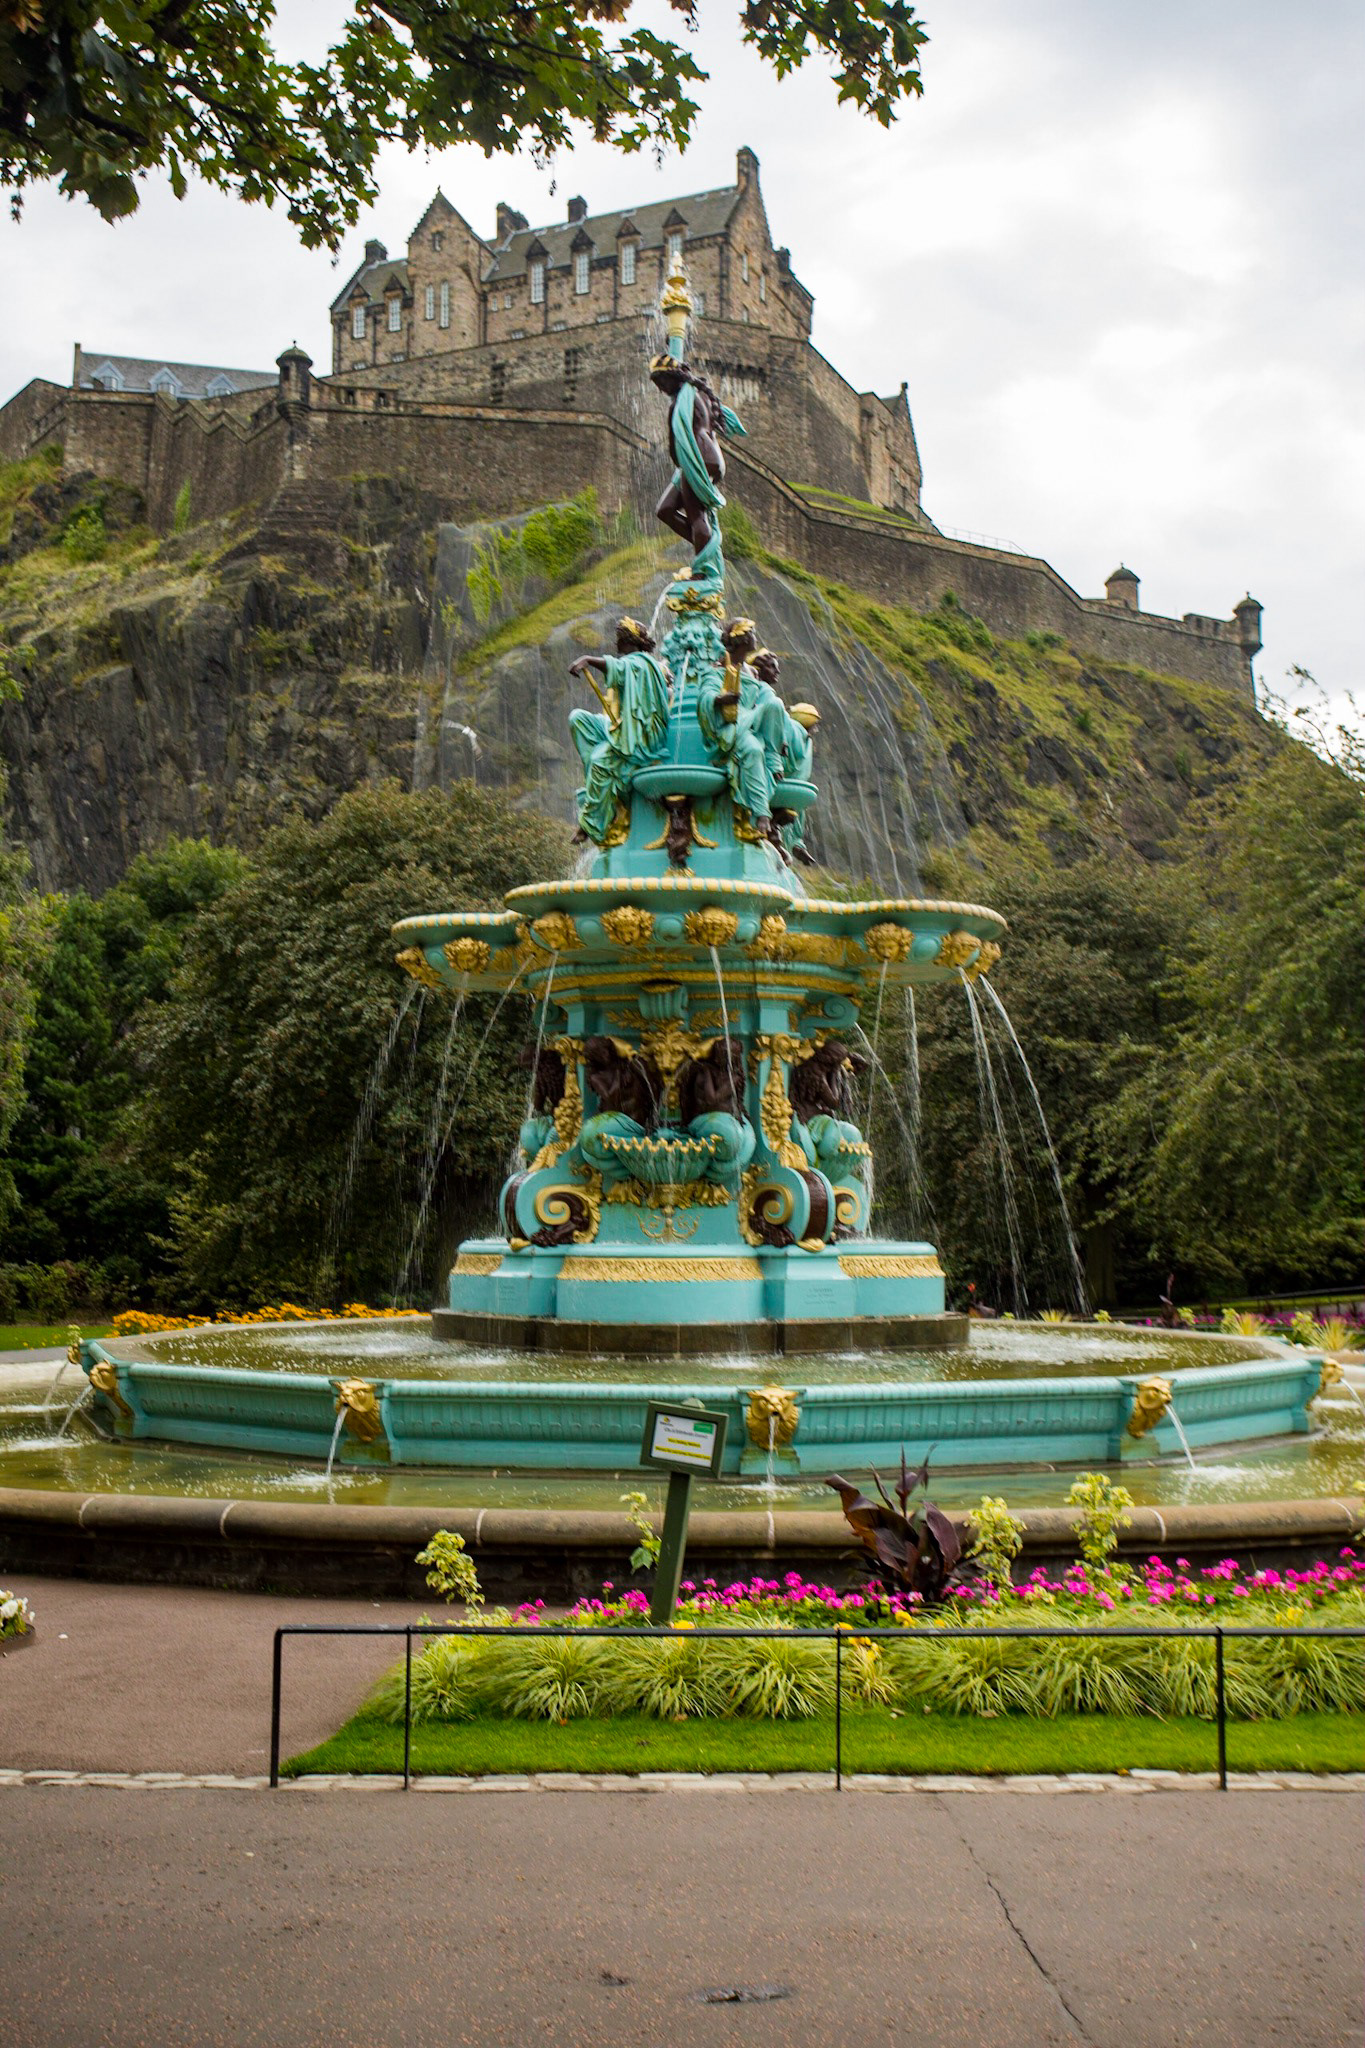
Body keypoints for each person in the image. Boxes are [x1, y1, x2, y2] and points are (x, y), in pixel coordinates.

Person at [568, 618, 671, 845]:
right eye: (619, 638)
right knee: (579, 719)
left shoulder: (643, 663)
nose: (618, 643)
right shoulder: (634, 662)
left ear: (632, 640)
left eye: (622, 638)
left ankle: (591, 824)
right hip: (624, 728)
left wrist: (588, 659)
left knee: (600, 761)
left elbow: (620, 667)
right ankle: (595, 784)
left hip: (642, 737)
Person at [649, 357, 746, 558]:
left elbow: (675, 444)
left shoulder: (681, 402)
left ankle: (702, 570)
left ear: (673, 376)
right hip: (708, 458)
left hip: (698, 459)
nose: (661, 388)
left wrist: (678, 460)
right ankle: (707, 549)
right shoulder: (698, 394)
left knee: (696, 517)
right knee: (665, 510)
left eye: (661, 382)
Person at [678, 1037, 756, 1186]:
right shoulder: (702, 1072)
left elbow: (712, 1099)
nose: (722, 1058)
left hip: (722, 1126)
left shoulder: (734, 1077)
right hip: (702, 1123)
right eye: (720, 1053)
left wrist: (706, 1071)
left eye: (726, 1055)